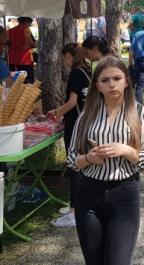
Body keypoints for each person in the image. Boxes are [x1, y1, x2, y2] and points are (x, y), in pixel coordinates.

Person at [66, 56, 144, 264]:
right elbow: (71, 159)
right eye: (105, 80)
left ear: (127, 81)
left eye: (117, 78)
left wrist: (126, 150)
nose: (112, 85)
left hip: (124, 194)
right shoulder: (86, 115)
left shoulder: (140, 113)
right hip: (88, 194)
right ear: (97, 85)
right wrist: (88, 158)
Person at [45, 43, 92, 228]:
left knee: (74, 166)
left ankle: (74, 212)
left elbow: (72, 102)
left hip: (76, 125)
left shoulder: (75, 73)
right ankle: (80, 205)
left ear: (69, 56)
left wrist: (57, 112)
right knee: (82, 166)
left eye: (63, 57)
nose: (63, 61)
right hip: (86, 122)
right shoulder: (87, 70)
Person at [7, 17, 37, 83]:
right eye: (29, 23)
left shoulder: (9, 31)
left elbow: (7, 43)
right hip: (25, 58)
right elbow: (33, 44)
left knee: (15, 80)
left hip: (13, 58)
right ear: (26, 22)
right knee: (27, 80)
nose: (30, 25)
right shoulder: (26, 30)